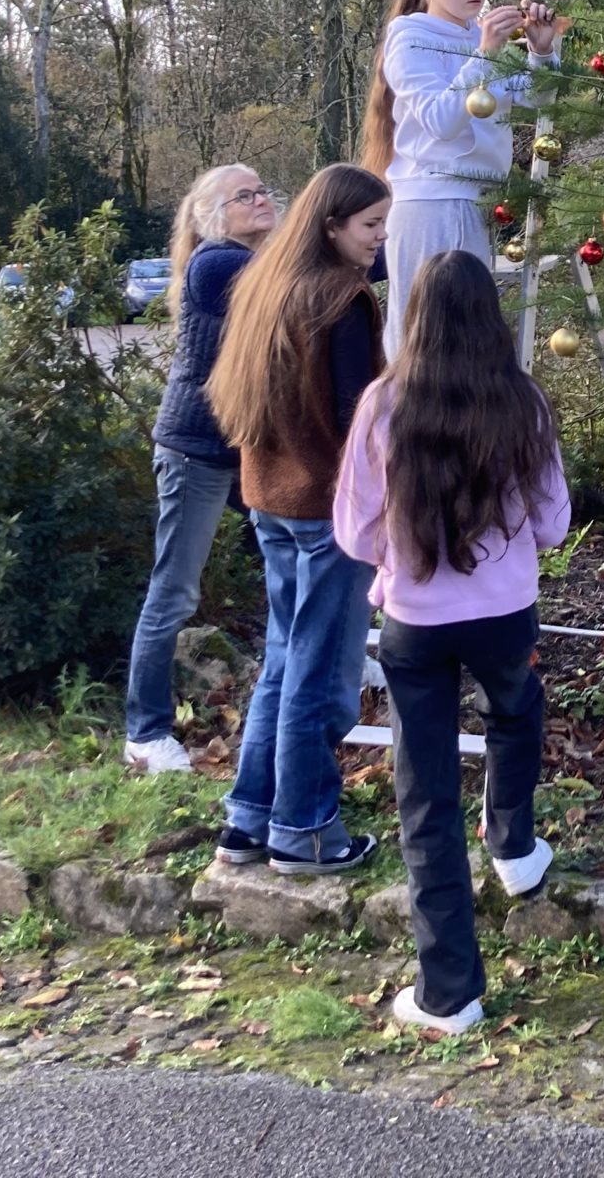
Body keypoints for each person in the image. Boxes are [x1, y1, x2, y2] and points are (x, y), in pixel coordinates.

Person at [335, 250, 566, 1034]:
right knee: (516, 712)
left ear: (415, 316)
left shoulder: (382, 403)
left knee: (426, 796)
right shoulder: (523, 402)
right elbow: (552, 522)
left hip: (414, 623)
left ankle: (449, 992)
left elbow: (354, 531)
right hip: (505, 613)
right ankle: (514, 846)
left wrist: (405, 554)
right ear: (490, 317)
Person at [205, 162, 392, 874]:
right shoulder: (342, 297)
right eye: (371, 224)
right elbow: (356, 419)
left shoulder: (265, 284)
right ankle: (305, 830)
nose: (381, 237)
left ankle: (249, 820)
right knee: (319, 677)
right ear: (331, 226)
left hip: (270, 501)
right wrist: (386, 504)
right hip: (324, 509)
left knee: (283, 662)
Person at [121, 165, 279, 774]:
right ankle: (144, 734)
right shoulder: (217, 264)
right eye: (244, 196)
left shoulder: (253, 260)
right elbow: (302, 275)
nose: (261, 199)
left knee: (292, 559)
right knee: (174, 592)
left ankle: (328, 663)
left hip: (247, 447)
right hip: (196, 451)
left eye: (262, 190)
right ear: (213, 218)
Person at [360, 0, 565, 352]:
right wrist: (485, 52)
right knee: (419, 334)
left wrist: (542, 52)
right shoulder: (410, 37)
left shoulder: (478, 36)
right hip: (429, 203)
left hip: (475, 202)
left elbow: (536, 99)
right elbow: (441, 120)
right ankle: (400, 399)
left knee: (466, 337)